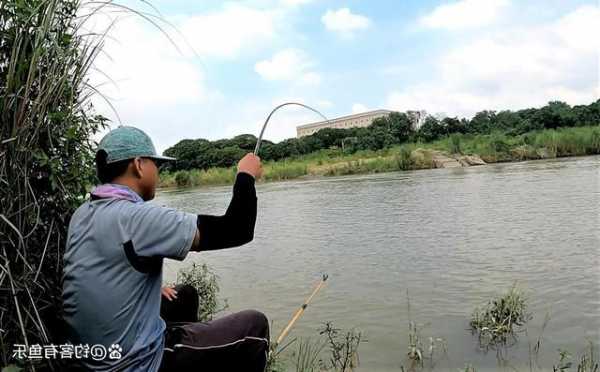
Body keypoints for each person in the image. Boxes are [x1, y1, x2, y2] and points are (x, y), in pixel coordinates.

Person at [62, 126, 269, 371]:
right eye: (155, 164)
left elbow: (102, 265)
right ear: (138, 165)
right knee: (254, 326)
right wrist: (245, 175)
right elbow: (236, 229)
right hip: (131, 364)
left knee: (184, 295)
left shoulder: (83, 213)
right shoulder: (137, 217)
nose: (158, 172)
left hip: (88, 358)